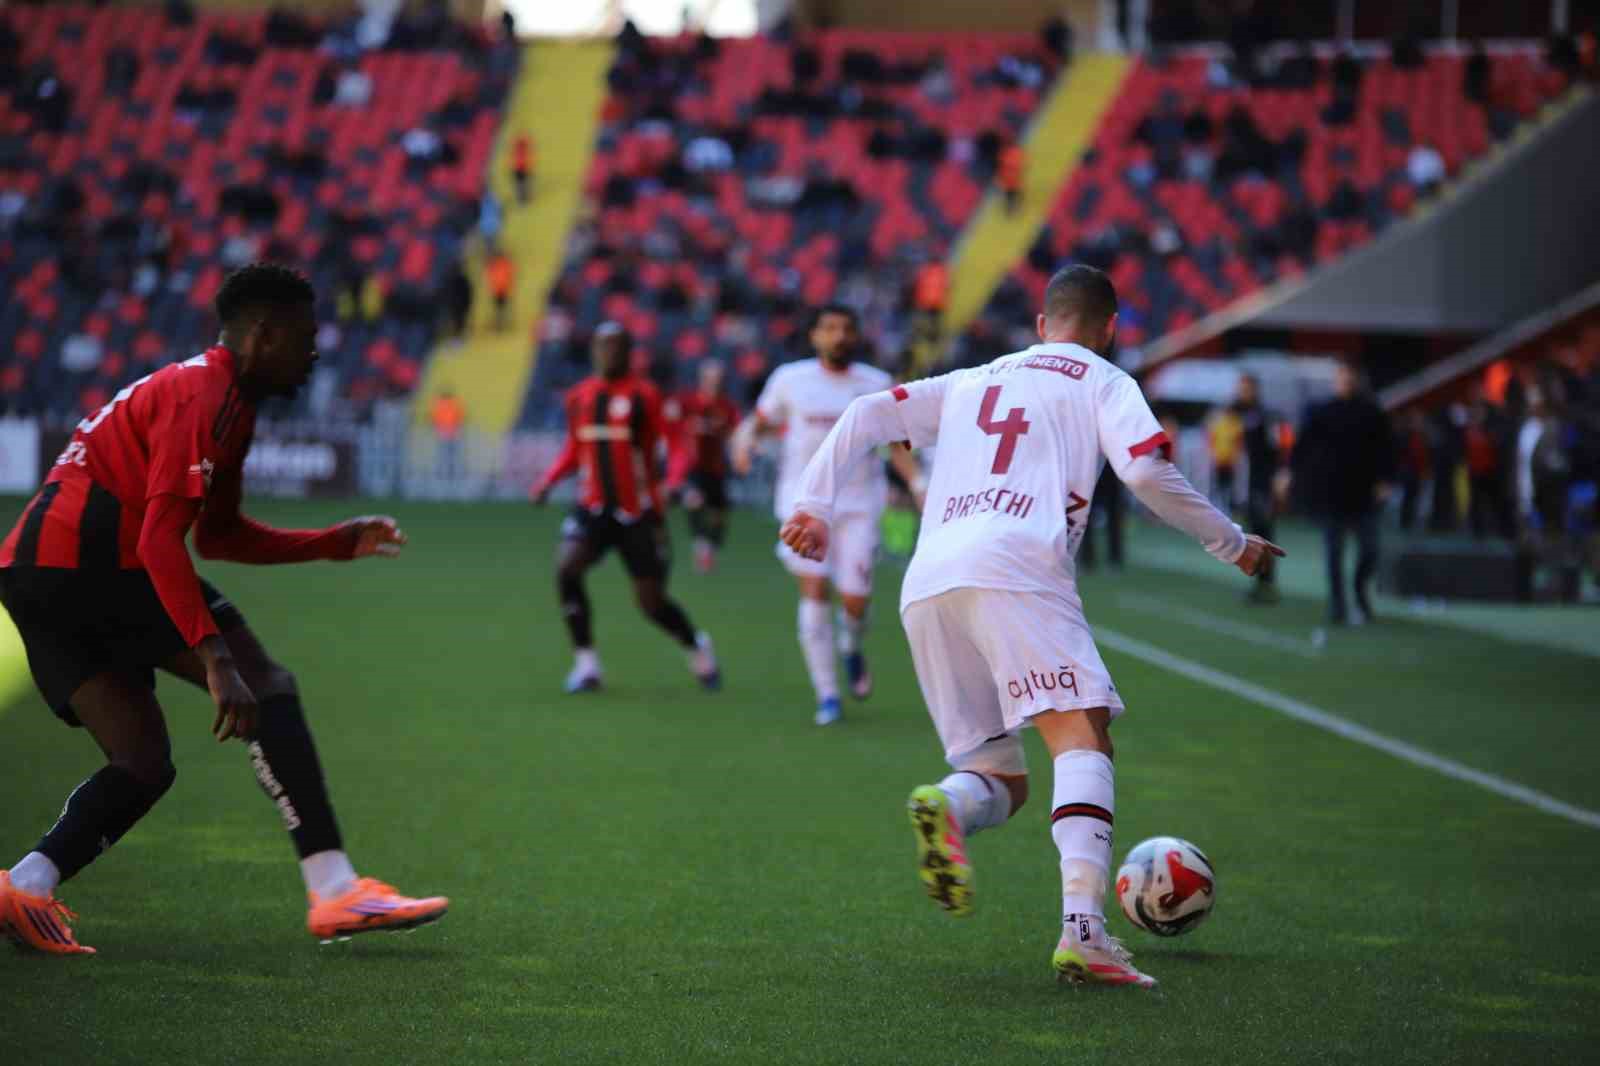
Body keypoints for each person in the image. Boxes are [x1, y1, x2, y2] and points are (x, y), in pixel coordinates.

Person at [778, 265, 1281, 988]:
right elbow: (1143, 473)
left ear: (1043, 324)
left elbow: (863, 413)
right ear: (1108, 330)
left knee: (997, 777)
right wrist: (1232, 542)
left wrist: (813, 505)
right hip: (1017, 568)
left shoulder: (972, 378)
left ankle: (947, 805)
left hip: (929, 581)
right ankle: (1085, 930)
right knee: (1082, 734)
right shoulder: (1105, 381)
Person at [0, 264, 447, 955]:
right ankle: (335, 890)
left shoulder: (222, 399)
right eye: (305, 337)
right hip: (94, 561)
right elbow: (158, 539)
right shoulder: (205, 396)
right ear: (263, 336)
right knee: (266, 686)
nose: (315, 353)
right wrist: (216, 659)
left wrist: (330, 544)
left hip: (33, 572)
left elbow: (219, 535)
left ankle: (26, 885)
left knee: (142, 761)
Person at [731, 304, 924, 726]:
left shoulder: (874, 384)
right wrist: (745, 440)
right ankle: (828, 694)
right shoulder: (790, 380)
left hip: (859, 504)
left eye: (846, 329)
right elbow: (761, 421)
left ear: (856, 337)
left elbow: (897, 443)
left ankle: (851, 645)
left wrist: (917, 483)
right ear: (815, 336)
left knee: (855, 599)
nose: (839, 335)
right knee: (814, 588)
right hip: (802, 503)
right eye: (830, 328)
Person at [531, 322, 720, 694]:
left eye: (616, 347)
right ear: (593, 352)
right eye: (602, 347)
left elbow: (677, 445)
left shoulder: (645, 396)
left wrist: (676, 479)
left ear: (629, 353)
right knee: (567, 567)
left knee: (650, 603)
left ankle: (695, 644)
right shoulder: (580, 397)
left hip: (639, 513)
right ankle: (586, 665)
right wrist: (548, 481)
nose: (608, 354)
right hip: (593, 507)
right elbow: (574, 449)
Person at [1286, 361, 1394, 625]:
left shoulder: (1371, 412)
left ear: (1357, 380)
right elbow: (1302, 448)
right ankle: (1338, 605)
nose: (1345, 381)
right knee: (1333, 553)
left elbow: (1387, 449)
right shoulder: (1323, 411)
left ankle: (1359, 590)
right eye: (1341, 377)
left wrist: (1385, 480)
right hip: (1331, 493)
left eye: (1349, 377)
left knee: (1370, 550)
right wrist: (1288, 473)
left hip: (1363, 494)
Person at [664, 360, 741, 574]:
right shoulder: (687, 402)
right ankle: (701, 546)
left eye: (718, 379)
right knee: (694, 501)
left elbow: (736, 432)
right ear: (702, 379)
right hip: (692, 466)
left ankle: (711, 545)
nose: (714, 383)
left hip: (716, 468)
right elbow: (669, 419)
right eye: (710, 378)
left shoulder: (727, 407)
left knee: (719, 517)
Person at [1234, 373, 1283, 603]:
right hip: (1251, 481)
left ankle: (1268, 584)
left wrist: (1276, 479)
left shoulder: (1265, 415)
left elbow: (1274, 449)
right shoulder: (1244, 413)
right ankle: (1260, 583)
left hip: (1263, 482)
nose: (1241, 392)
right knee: (1254, 532)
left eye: (1245, 388)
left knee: (1264, 533)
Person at [486, 248, 513, 331]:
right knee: (499, 309)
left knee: (501, 308)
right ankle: (499, 323)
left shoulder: (504, 264)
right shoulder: (496, 265)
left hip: (503, 289)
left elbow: (509, 275)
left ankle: (502, 323)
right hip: (498, 290)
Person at [511, 132, 535, 204]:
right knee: (523, 184)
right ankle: (523, 198)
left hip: (520, 168)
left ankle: (523, 198)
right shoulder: (522, 147)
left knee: (521, 184)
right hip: (521, 168)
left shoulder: (519, 147)